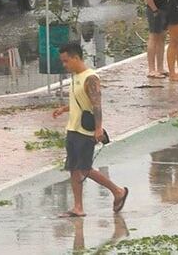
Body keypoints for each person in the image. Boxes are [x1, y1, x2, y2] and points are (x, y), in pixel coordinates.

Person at [50, 41, 128, 218]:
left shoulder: (90, 78)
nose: (64, 65)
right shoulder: (75, 77)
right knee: (73, 168)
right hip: (72, 128)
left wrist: (98, 128)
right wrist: (64, 109)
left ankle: (118, 191)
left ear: (76, 58)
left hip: (85, 132)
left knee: (85, 168)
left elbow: (96, 105)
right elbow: (79, 101)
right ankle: (78, 207)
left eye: (66, 61)